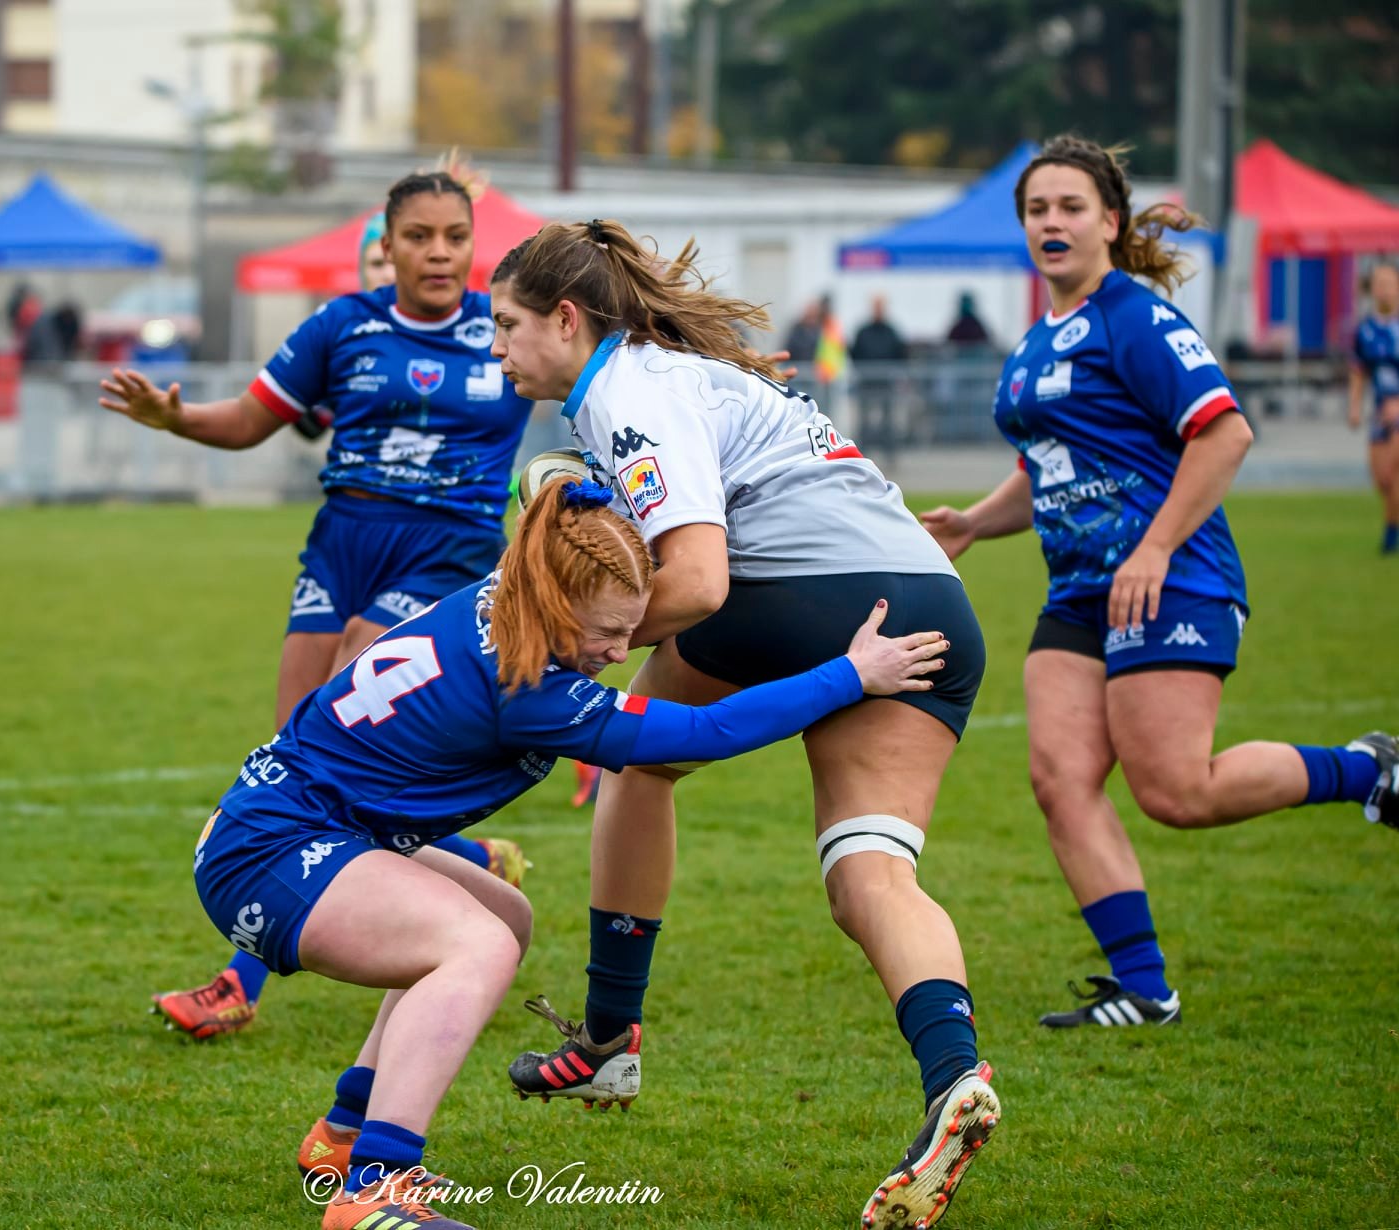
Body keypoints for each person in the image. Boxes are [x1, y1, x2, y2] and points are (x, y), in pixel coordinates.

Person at [192, 476, 951, 1229]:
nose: (621, 651)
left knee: (504, 915)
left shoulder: (510, 586)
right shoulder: (529, 690)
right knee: (475, 945)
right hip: (271, 850)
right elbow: (707, 732)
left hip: (292, 826)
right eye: (608, 632)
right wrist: (852, 674)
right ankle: (375, 1188)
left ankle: (344, 1132)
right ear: (555, 604)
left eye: (632, 628)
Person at [489, 219, 999, 1230]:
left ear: (566, 318)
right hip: (929, 604)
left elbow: (699, 581)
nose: (496, 345)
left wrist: (546, 644)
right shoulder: (671, 376)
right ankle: (956, 1077)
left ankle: (608, 1041)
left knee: (640, 764)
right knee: (870, 875)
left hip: (800, 596)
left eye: (507, 324)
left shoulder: (628, 391)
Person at [918, 135, 1398, 1037]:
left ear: (1110, 222)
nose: (1052, 222)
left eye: (1070, 207)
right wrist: (977, 521)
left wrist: (1155, 548)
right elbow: (1052, 466)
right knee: (1060, 779)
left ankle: (1370, 770)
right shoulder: (1036, 343)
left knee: (1178, 792)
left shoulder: (1134, 317)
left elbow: (1224, 433)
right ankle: (1145, 989)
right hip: (1078, 594)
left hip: (1170, 582)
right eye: (1037, 209)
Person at [100, 171, 537, 1041]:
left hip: (447, 549)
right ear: (386, 244)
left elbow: (606, 371)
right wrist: (175, 419)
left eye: (455, 236)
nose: (440, 252)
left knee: (350, 695)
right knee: (294, 760)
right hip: (342, 544)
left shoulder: (505, 330)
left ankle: (238, 983)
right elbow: (249, 420)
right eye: (420, 236)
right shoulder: (342, 326)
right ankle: (470, 859)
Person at [1347, 261, 1399, 554]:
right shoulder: (1365, 330)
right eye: (1379, 284)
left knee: (1394, 471)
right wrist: (1355, 406)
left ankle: (1391, 537)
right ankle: (1392, 526)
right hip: (1379, 412)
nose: (1384, 290)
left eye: (1389, 284)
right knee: (1382, 479)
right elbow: (1359, 372)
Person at [853, 295, 910, 447]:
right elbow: (855, 353)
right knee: (865, 419)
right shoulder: (863, 332)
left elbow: (900, 354)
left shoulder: (891, 332)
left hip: (886, 383)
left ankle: (889, 449)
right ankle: (864, 449)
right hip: (866, 383)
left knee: (888, 420)